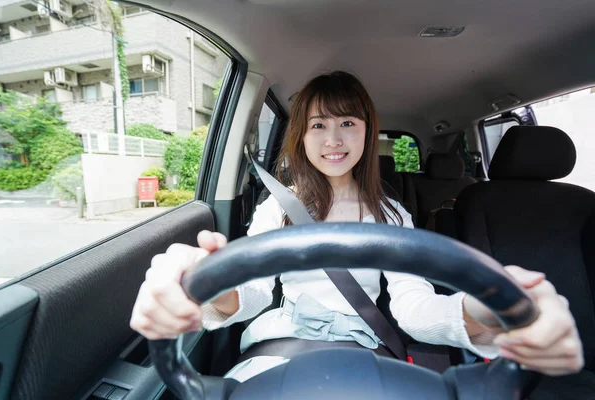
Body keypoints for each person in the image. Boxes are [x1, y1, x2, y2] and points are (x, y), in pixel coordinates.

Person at [130, 71, 583, 382]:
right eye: (318, 125)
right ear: (301, 138)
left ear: (368, 132)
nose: (333, 139)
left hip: (365, 347)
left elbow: (413, 308)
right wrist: (214, 285)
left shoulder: (391, 214)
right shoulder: (278, 208)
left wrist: (482, 313)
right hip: (276, 348)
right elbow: (254, 294)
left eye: (347, 122)